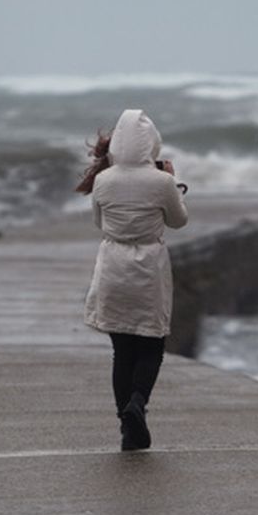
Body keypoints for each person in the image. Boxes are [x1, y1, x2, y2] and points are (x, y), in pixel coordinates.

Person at [79, 109, 189, 451]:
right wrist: (175, 182)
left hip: (113, 266)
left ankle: (126, 425)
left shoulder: (103, 180)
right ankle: (137, 403)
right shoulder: (162, 182)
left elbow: (99, 222)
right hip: (148, 268)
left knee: (121, 350)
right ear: (150, 144)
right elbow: (178, 221)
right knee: (151, 345)